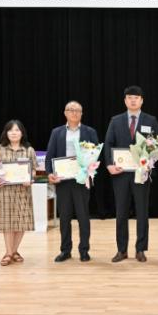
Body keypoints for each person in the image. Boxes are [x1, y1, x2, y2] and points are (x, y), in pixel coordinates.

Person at [104, 85, 158, 263]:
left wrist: (150, 162)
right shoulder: (116, 120)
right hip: (121, 174)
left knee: (142, 212)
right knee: (121, 212)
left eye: (136, 98)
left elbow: (157, 143)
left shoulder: (150, 120)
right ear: (125, 101)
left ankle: (140, 249)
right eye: (130, 97)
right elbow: (108, 143)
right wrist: (109, 165)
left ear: (142, 101)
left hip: (141, 173)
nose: (133, 100)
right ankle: (121, 250)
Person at [46, 101, 99, 263]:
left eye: (77, 110)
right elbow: (50, 156)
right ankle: (65, 250)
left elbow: (95, 155)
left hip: (81, 180)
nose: (74, 113)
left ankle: (84, 250)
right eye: (71, 110)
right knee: (64, 217)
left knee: (83, 216)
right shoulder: (57, 132)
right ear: (65, 113)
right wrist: (50, 173)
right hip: (63, 180)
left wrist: (89, 168)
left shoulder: (90, 132)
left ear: (81, 114)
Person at [0, 120, 37, 266]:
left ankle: (13, 251)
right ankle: (9, 253)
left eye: (17, 130)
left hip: (23, 191)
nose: (14, 133)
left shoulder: (29, 150)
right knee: (7, 222)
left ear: (22, 133)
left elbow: (34, 170)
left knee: (21, 222)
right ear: (6, 133)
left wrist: (30, 179)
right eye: (10, 130)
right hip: (5, 191)